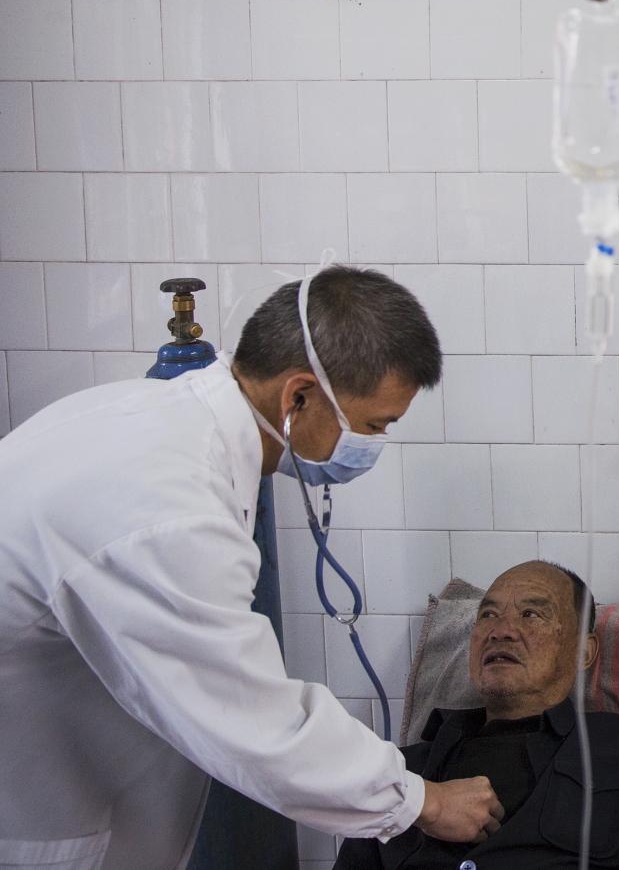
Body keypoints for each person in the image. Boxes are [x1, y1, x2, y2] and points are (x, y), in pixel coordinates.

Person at [0, 266, 502, 870]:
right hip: (36, 812)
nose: (371, 446)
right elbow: (258, 723)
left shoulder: (145, 420)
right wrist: (421, 800)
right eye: (372, 426)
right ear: (298, 397)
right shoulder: (169, 510)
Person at [334, 560, 619, 870]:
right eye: (487, 615)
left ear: (584, 652)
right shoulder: (402, 772)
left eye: (531, 615)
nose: (500, 630)